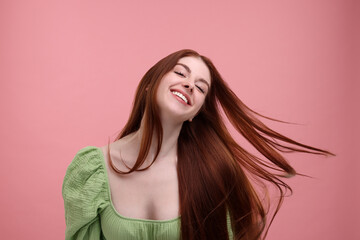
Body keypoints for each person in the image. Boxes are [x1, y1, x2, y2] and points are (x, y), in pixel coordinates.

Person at [62, 49, 334, 240]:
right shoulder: (91, 171)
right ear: (149, 84)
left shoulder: (211, 176)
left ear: (195, 113)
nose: (189, 84)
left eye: (201, 87)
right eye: (180, 72)